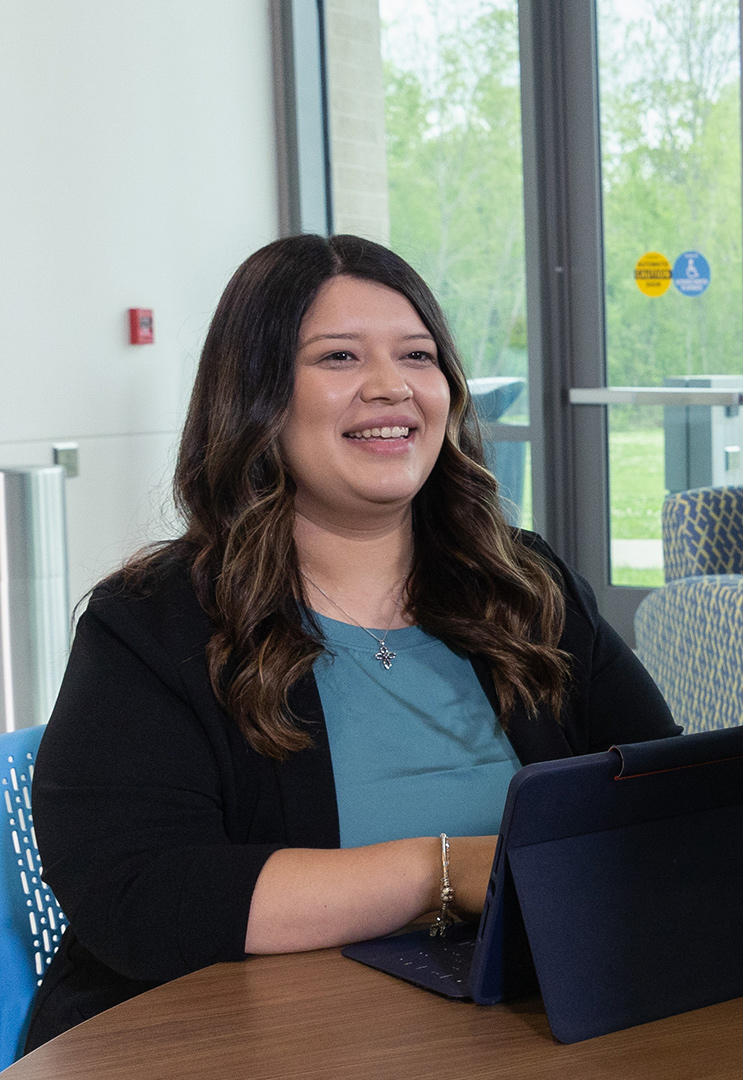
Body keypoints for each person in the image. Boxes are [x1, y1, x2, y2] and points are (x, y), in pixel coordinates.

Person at [25, 235, 679, 1050]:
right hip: (244, 1050)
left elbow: (666, 801)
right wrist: (442, 872)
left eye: (418, 355)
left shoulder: (526, 585)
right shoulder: (152, 622)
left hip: (523, 1029)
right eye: (338, 357)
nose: (390, 386)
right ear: (256, 395)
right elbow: (141, 897)